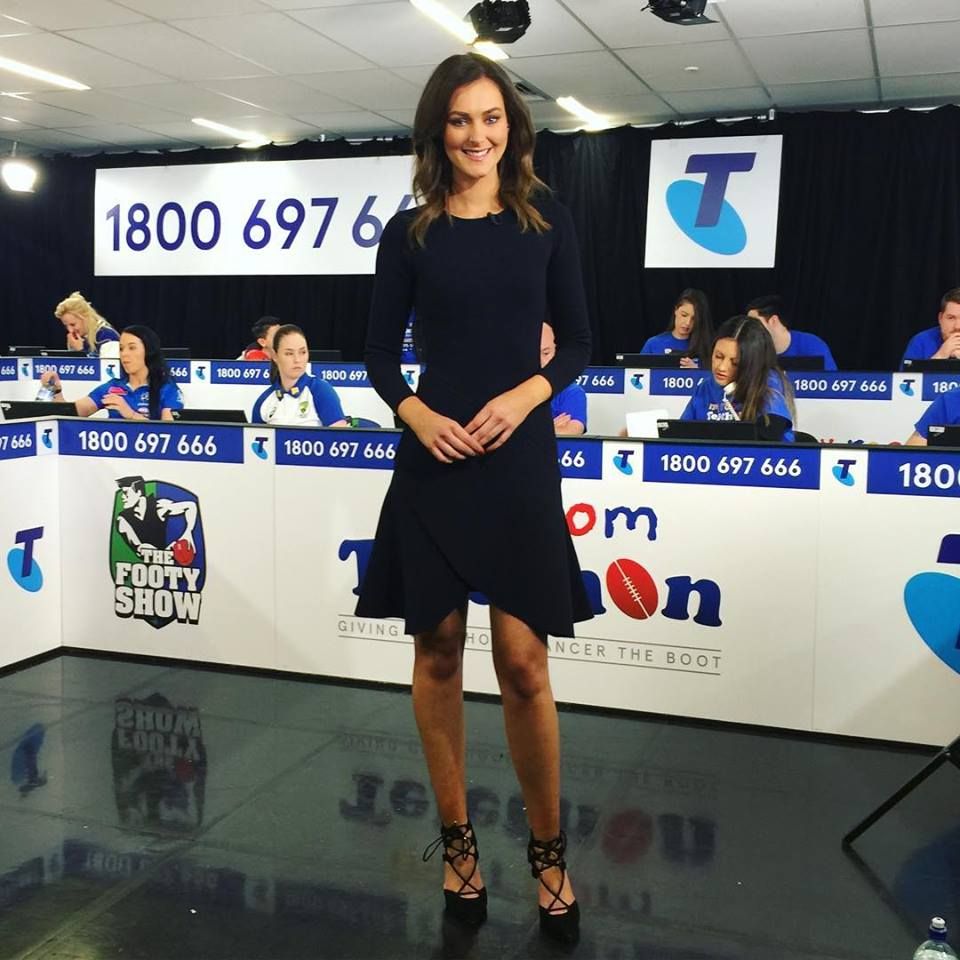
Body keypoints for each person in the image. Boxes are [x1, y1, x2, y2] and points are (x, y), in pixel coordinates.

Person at [356, 53, 591, 943]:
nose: (477, 134)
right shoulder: (408, 234)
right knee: (440, 651)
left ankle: (549, 854)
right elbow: (378, 356)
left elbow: (579, 344)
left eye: (491, 117)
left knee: (525, 663)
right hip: (434, 462)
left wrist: (525, 397)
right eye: (460, 119)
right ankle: (459, 848)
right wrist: (417, 416)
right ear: (437, 131)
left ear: (512, 128)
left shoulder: (547, 221)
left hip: (518, 458)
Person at [681, 315, 796, 441]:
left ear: (752, 364)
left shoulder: (769, 386)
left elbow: (768, 439)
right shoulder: (705, 388)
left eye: (735, 363)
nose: (722, 367)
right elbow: (681, 433)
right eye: (718, 356)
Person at [40, 325, 182, 421]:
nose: (124, 354)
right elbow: (70, 414)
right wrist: (55, 390)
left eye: (132, 348)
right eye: (121, 348)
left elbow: (170, 432)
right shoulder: (112, 387)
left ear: (149, 351)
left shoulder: (167, 389)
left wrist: (130, 414)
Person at [251, 324, 348, 427]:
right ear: (275, 356)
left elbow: (339, 434)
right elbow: (253, 436)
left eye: (303, 352)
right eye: (289, 353)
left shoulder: (320, 390)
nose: (297, 359)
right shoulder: (264, 401)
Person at [746, 294, 838, 371]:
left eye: (753, 323)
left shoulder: (812, 345)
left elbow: (832, 382)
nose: (749, 329)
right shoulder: (750, 349)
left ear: (773, 321)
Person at [640, 288, 713, 368]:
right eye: (684, 315)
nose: (687, 323)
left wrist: (697, 371)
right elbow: (640, 372)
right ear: (676, 310)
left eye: (694, 319)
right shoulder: (653, 344)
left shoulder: (707, 348)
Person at [542, 322, 586, 435]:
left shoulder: (571, 391)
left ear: (556, 351)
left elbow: (574, 431)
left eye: (546, 353)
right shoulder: (513, 388)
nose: (541, 361)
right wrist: (550, 429)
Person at [901, 289, 960, 367]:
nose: (957, 326)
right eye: (951, 318)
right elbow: (907, 374)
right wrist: (940, 356)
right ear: (940, 319)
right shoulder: (921, 341)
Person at [55, 291, 120, 359]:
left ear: (86, 318)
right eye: (66, 326)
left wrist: (80, 351)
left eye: (73, 324)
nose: (70, 330)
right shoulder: (79, 339)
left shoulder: (107, 337)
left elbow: (109, 365)